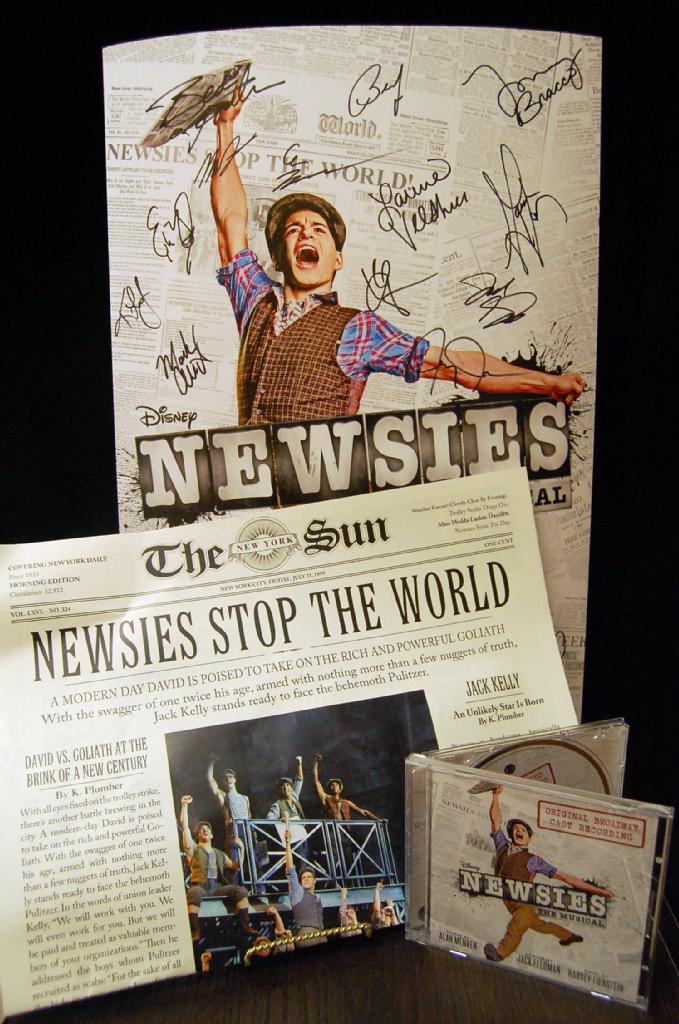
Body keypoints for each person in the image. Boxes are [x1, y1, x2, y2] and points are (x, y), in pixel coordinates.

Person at [211, 98, 585, 425]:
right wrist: (225, 126)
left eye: (318, 229)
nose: (306, 233)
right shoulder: (256, 301)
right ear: (278, 257)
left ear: (338, 259)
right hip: (248, 481)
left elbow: (453, 365)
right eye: (294, 230)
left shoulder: (358, 329)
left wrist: (547, 384)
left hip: (314, 484)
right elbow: (229, 218)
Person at [484, 786, 614, 962]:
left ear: (529, 838)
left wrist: (599, 891)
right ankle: (568, 936)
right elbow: (495, 821)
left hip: (524, 904)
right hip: (509, 903)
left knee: (519, 923)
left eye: (523, 829)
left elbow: (566, 878)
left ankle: (500, 953)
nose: (519, 831)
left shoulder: (533, 860)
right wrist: (495, 796)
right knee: (540, 925)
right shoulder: (503, 846)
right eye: (516, 828)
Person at [179, 794, 257, 943]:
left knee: (241, 891)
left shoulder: (219, 853)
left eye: (207, 829)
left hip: (216, 887)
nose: (204, 830)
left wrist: (242, 849)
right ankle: (195, 932)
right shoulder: (193, 849)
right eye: (201, 830)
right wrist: (184, 805)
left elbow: (235, 867)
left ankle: (246, 926)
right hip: (201, 886)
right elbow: (185, 827)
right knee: (193, 893)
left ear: (212, 835)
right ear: (198, 835)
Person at [207, 759, 250, 880]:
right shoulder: (223, 795)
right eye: (225, 778)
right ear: (223, 781)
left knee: (253, 864)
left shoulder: (245, 798)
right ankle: (234, 887)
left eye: (230, 776)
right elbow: (210, 779)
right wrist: (211, 761)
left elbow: (249, 816)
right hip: (233, 832)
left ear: (235, 779)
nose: (228, 779)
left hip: (247, 830)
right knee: (235, 865)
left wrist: (254, 836)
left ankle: (257, 889)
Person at [283, 827, 326, 947]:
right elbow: (290, 870)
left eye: (309, 877)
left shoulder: (317, 898)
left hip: (322, 934)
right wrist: (287, 844)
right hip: (307, 935)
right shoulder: (298, 893)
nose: (306, 879)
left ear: (314, 881)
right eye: (303, 878)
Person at [312, 753, 381, 823]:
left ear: (340, 789)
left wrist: (379, 820)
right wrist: (316, 762)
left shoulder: (346, 802)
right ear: (329, 789)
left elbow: (364, 812)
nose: (334, 786)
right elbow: (316, 781)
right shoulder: (326, 798)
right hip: (332, 828)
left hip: (345, 829)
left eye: (336, 785)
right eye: (332, 785)